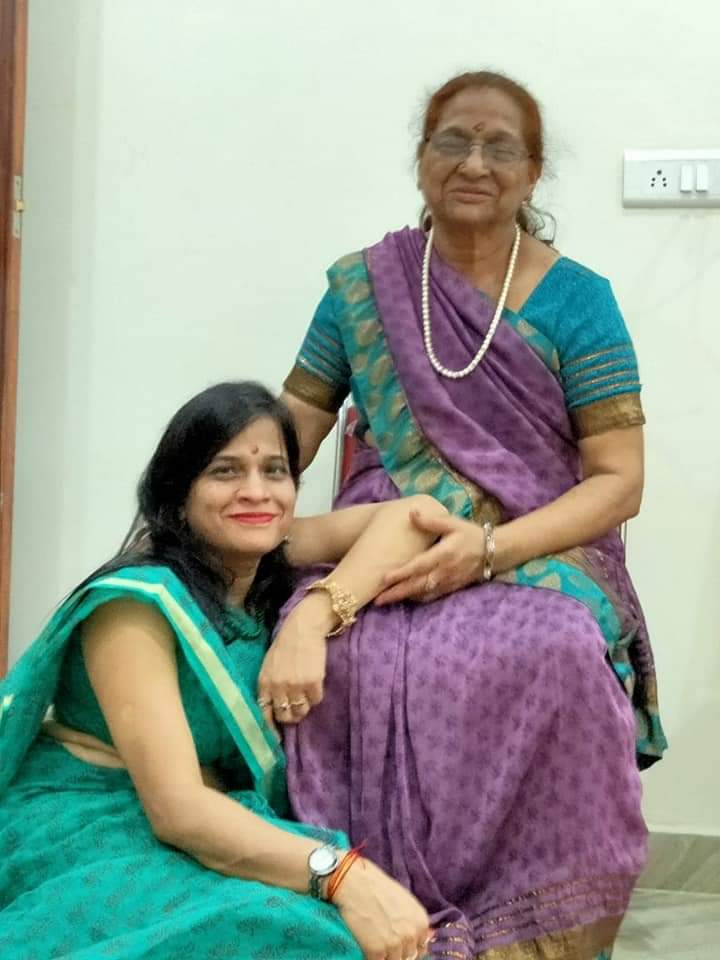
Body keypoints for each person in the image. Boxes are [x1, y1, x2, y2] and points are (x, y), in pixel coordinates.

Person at [272, 71, 668, 960]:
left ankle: (538, 923)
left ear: (533, 174)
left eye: (500, 147)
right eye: (453, 140)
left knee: (554, 651)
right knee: (349, 653)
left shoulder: (578, 300)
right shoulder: (363, 289)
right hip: (382, 541)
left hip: (534, 543)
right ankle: (356, 904)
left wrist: (488, 551)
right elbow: (288, 428)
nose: (474, 163)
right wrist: (217, 502)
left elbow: (618, 481)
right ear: (422, 159)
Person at [0, 381, 438, 960]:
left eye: (275, 471)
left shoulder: (264, 556)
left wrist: (313, 619)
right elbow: (178, 810)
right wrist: (342, 874)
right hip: (92, 820)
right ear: (178, 493)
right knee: (299, 933)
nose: (256, 491)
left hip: (209, 821)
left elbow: (417, 518)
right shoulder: (133, 607)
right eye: (225, 471)